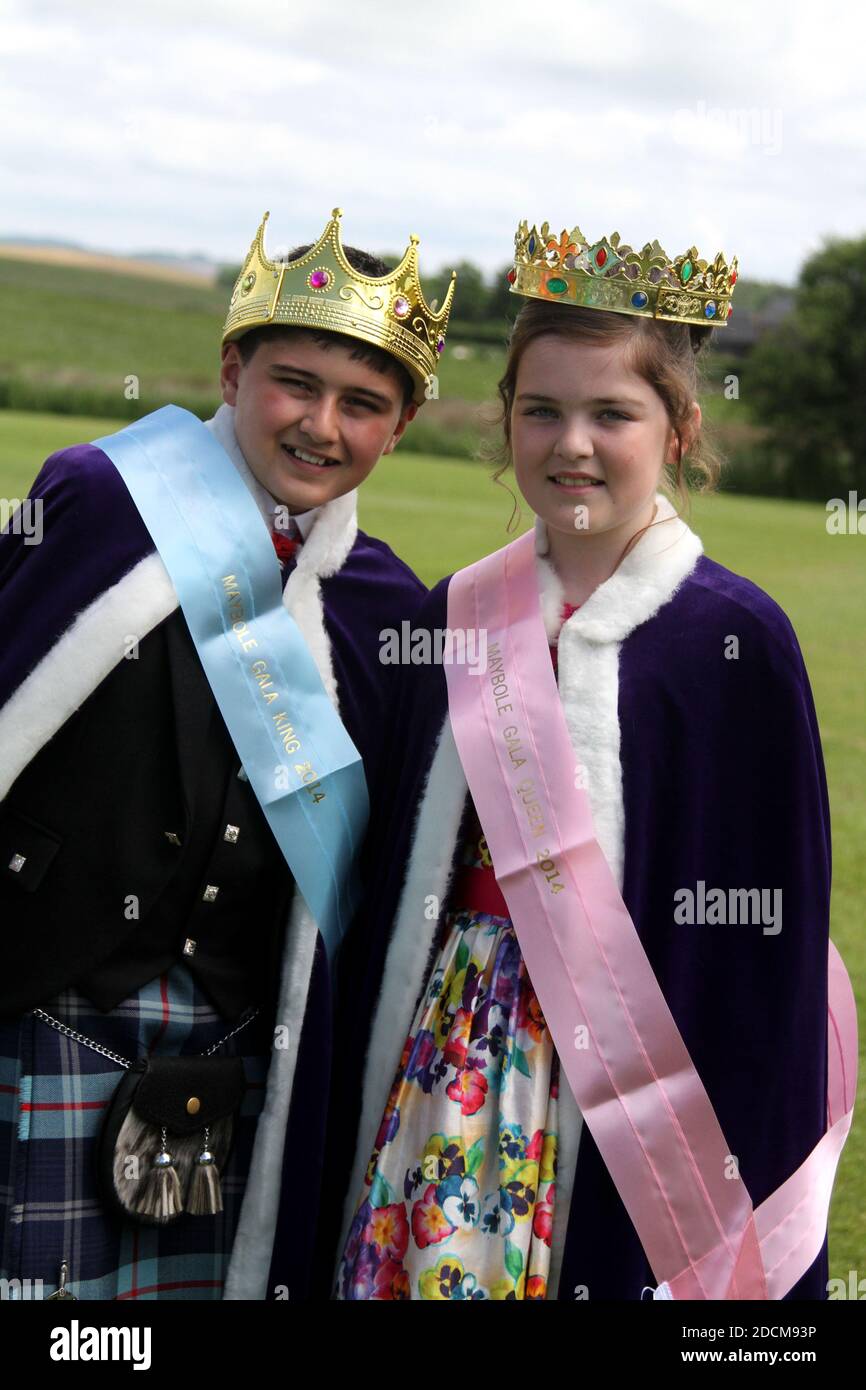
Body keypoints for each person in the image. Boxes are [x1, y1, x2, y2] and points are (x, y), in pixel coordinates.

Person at [328, 216, 856, 1300]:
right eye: (542, 411)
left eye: (611, 412)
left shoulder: (732, 639)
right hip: (454, 1047)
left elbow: (767, 939)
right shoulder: (456, 615)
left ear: (680, 430)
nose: (571, 443)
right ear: (504, 425)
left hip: (634, 1077)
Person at [0, 207, 456, 1301]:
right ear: (231, 368)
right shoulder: (103, 497)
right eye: (294, 383)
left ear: (397, 429)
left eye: (363, 405)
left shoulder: (383, 602)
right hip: (48, 989)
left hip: (247, 1032)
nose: (320, 425)